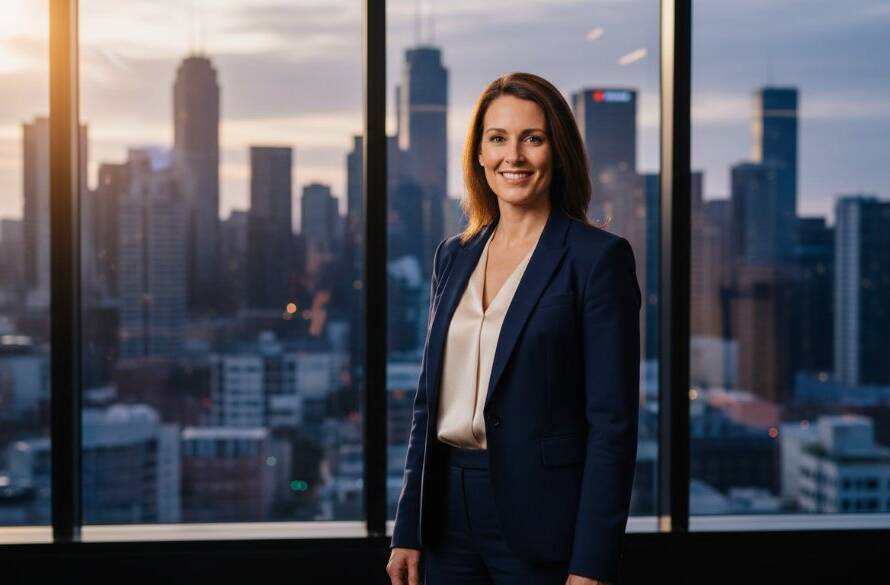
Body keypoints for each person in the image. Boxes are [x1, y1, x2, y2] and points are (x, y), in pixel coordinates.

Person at [386, 72, 641, 585]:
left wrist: (591, 563)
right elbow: (427, 405)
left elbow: (613, 427)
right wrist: (407, 527)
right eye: (498, 138)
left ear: (558, 151)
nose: (514, 156)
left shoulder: (596, 260)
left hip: (542, 517)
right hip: (445, 516)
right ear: (479, 154)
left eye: (533, 138)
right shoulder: (453, 256)